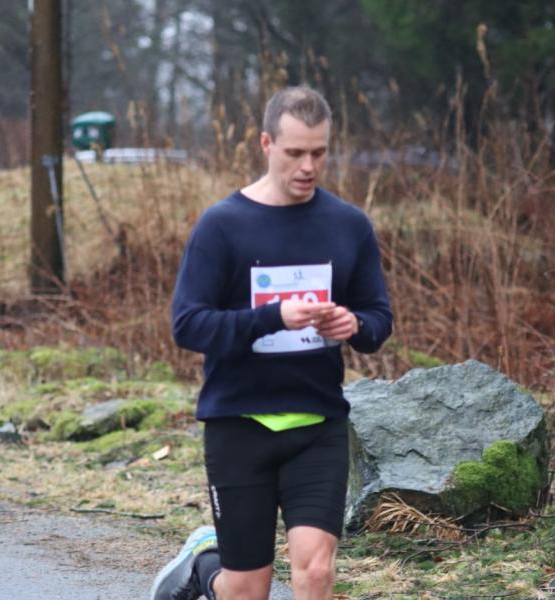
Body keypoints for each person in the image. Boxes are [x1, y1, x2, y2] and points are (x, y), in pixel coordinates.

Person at [151, 86, 393, 600]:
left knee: (316, 572)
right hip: (239, 424)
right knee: (246, 590)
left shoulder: (348, 225)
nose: (308, 166)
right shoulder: (223, 226)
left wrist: (353, 324)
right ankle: (204, 568)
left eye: (319, 153)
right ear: (266, 144)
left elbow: (379, 320)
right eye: (295, 152)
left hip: (318, 424)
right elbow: (188, 325)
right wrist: (271, 317)